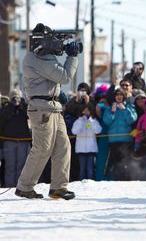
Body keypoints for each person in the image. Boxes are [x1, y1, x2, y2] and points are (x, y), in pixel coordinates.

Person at [15, 23, 81, 199]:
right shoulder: (35, 57)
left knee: (63, 145)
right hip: (43, 109)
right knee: (42, 148)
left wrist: (57, 94)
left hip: (52, 106)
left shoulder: (44, 55)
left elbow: (54, 79)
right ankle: (24, 187)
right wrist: (72, 56)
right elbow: (63, 76)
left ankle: (58, 187)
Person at [0, 90, 31, 187]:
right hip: (9, 141)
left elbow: (30, 115)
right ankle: (10, 186)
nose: (16, 99)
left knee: (21, 166)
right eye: (13, 97)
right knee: (10, 166)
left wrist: (21, 103)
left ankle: (20, 186)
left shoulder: (24, 107)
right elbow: (3, 116)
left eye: (17, 96)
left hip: (23, 141)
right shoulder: (6, 107)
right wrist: (12, 105)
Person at [71, 106, 102, 180]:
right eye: (84, 111)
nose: (86, 113)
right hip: (81, 149)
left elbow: (98, 130)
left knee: (90, 168)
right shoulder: (78, 121)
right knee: (82, 169)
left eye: (88, 111)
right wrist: (80, 121)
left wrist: (91, 122)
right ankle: (81, 182)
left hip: (91, 148)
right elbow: (74, 131)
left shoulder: (93, 121)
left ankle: (90, 182)